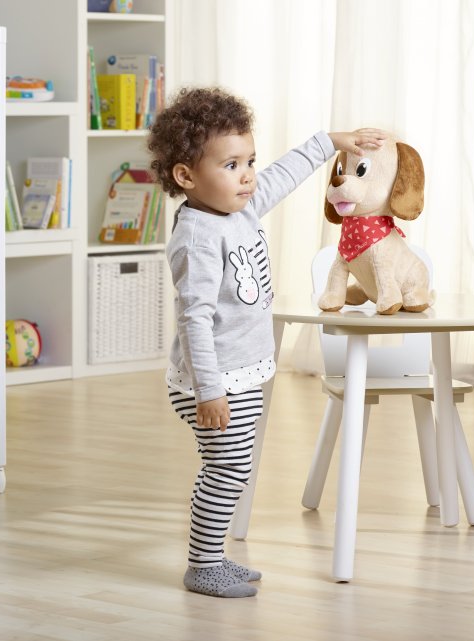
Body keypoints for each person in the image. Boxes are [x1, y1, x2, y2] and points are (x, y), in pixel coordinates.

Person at [147, 87, 386, 598]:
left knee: (234, 465)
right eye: (232, 164)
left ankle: (212, 556)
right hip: (210, 381)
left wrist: (330, 141)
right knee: (226, 467)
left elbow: (283, 174)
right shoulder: (198, 236)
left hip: (242, 370)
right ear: (186, 177)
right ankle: (203, 563)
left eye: (248, 160)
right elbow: (195, 320)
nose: (249, 174)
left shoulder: (239, 206)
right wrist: (210, 390)